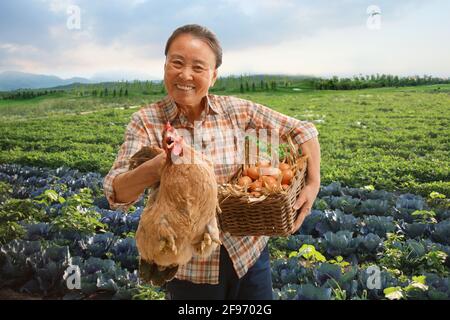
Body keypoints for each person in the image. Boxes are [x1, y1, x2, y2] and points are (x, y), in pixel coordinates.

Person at [103, 24, 321, 300]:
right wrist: (159, 166)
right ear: (165, 65)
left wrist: (313, 183)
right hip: (190, 269)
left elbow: (303, 130)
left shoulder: (236, 110)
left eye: (198, 67)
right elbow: (115, 192)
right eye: (177, 63)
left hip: (249, 256)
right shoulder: (146, 121)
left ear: (213, 76)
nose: (185, 75)